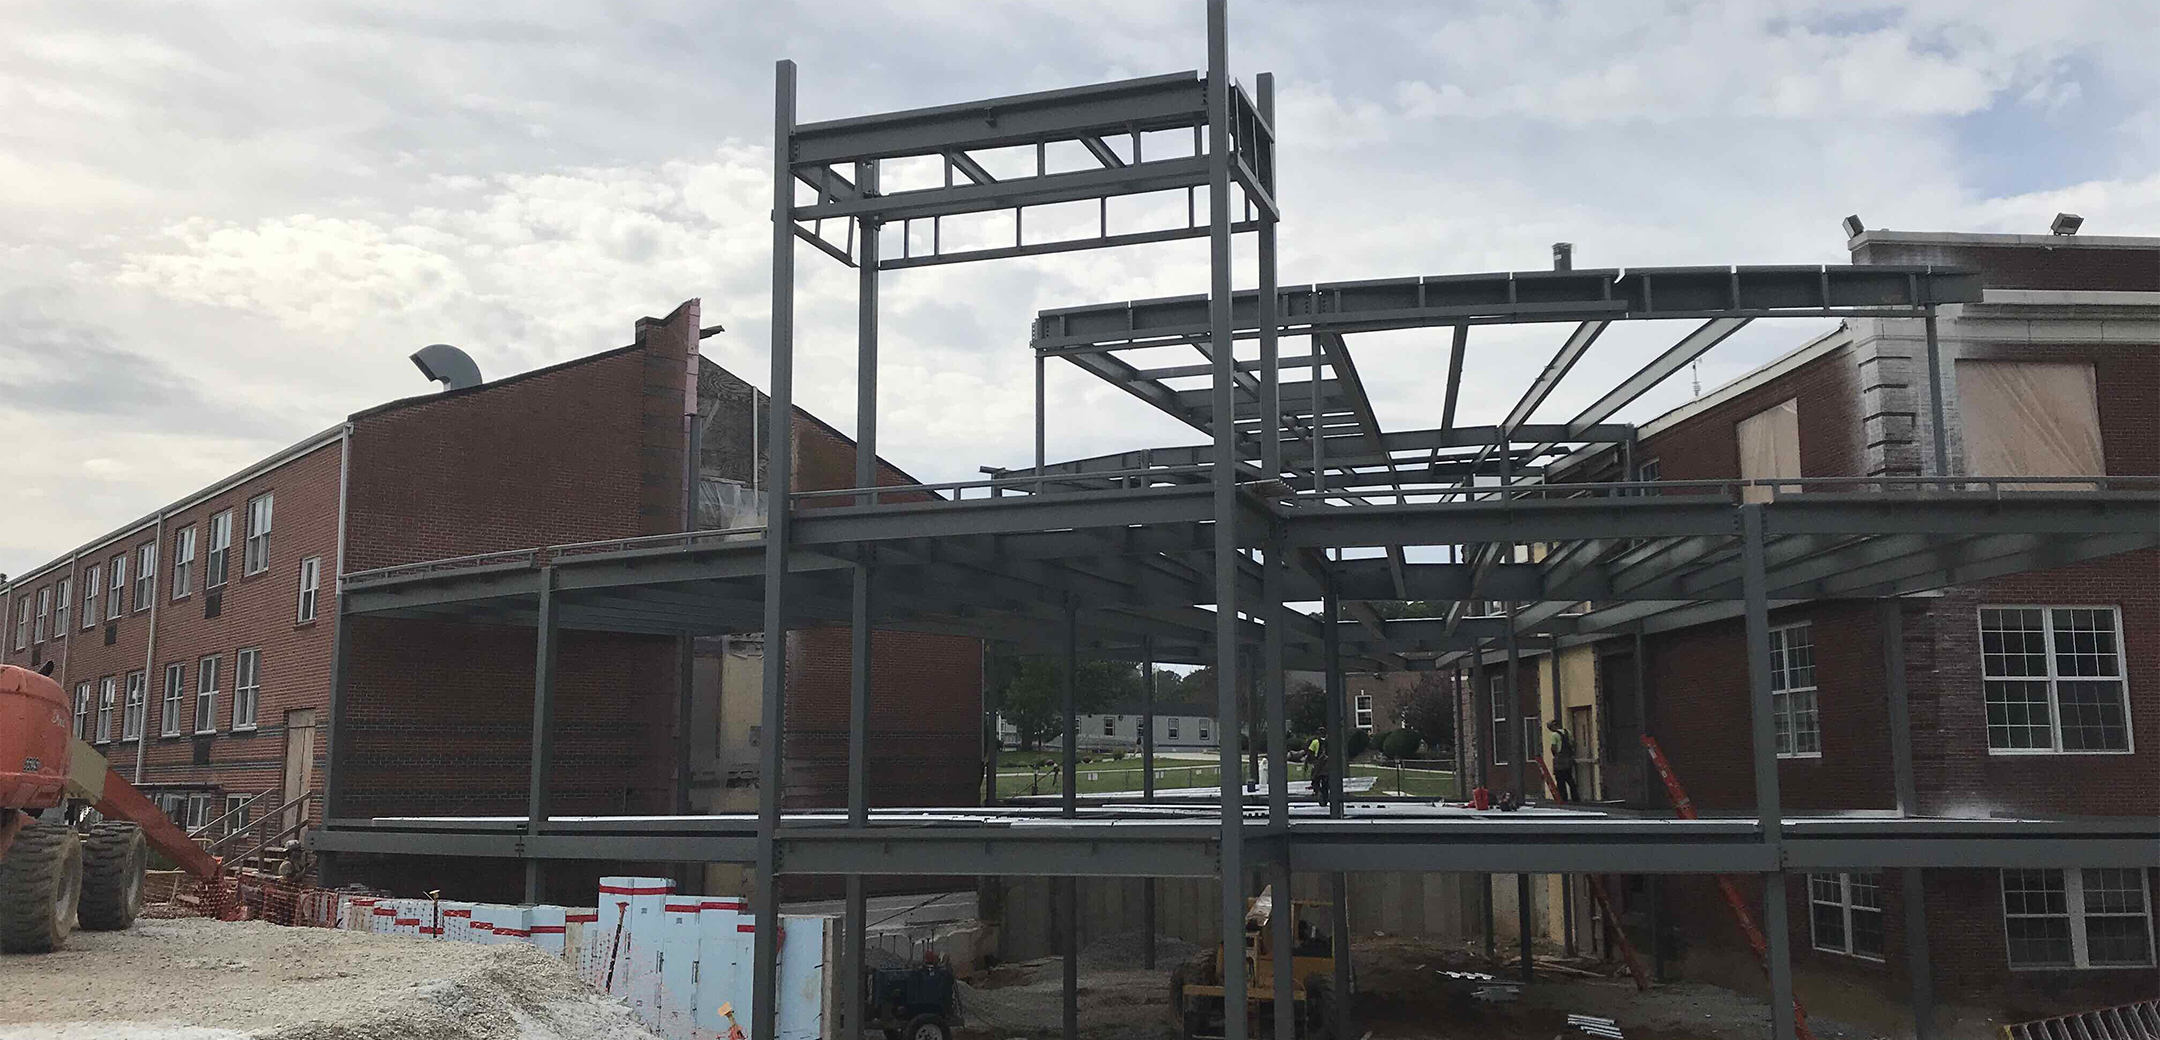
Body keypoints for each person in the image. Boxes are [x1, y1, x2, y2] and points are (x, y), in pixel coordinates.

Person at [1547, 719, 1579, 802]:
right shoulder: (1567, 732)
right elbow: (1573, 743)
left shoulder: (1554, 735)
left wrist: (1555, 754)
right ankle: (1575, 798)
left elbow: (1554, 747)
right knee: (1569, 778)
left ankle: (1563, 798)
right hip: (1568, 759)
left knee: (1560, 780)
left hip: (1560, 760)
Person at [1306, 733, 1333, 804]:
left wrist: (1308, 763)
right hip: (1327, 766)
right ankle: (1325, 797)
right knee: (1326, 784)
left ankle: (1318, 792)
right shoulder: (1330, 742)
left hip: (1318, 764)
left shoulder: (1315, 742)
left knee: (1315, 780)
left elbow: (1310, 753)